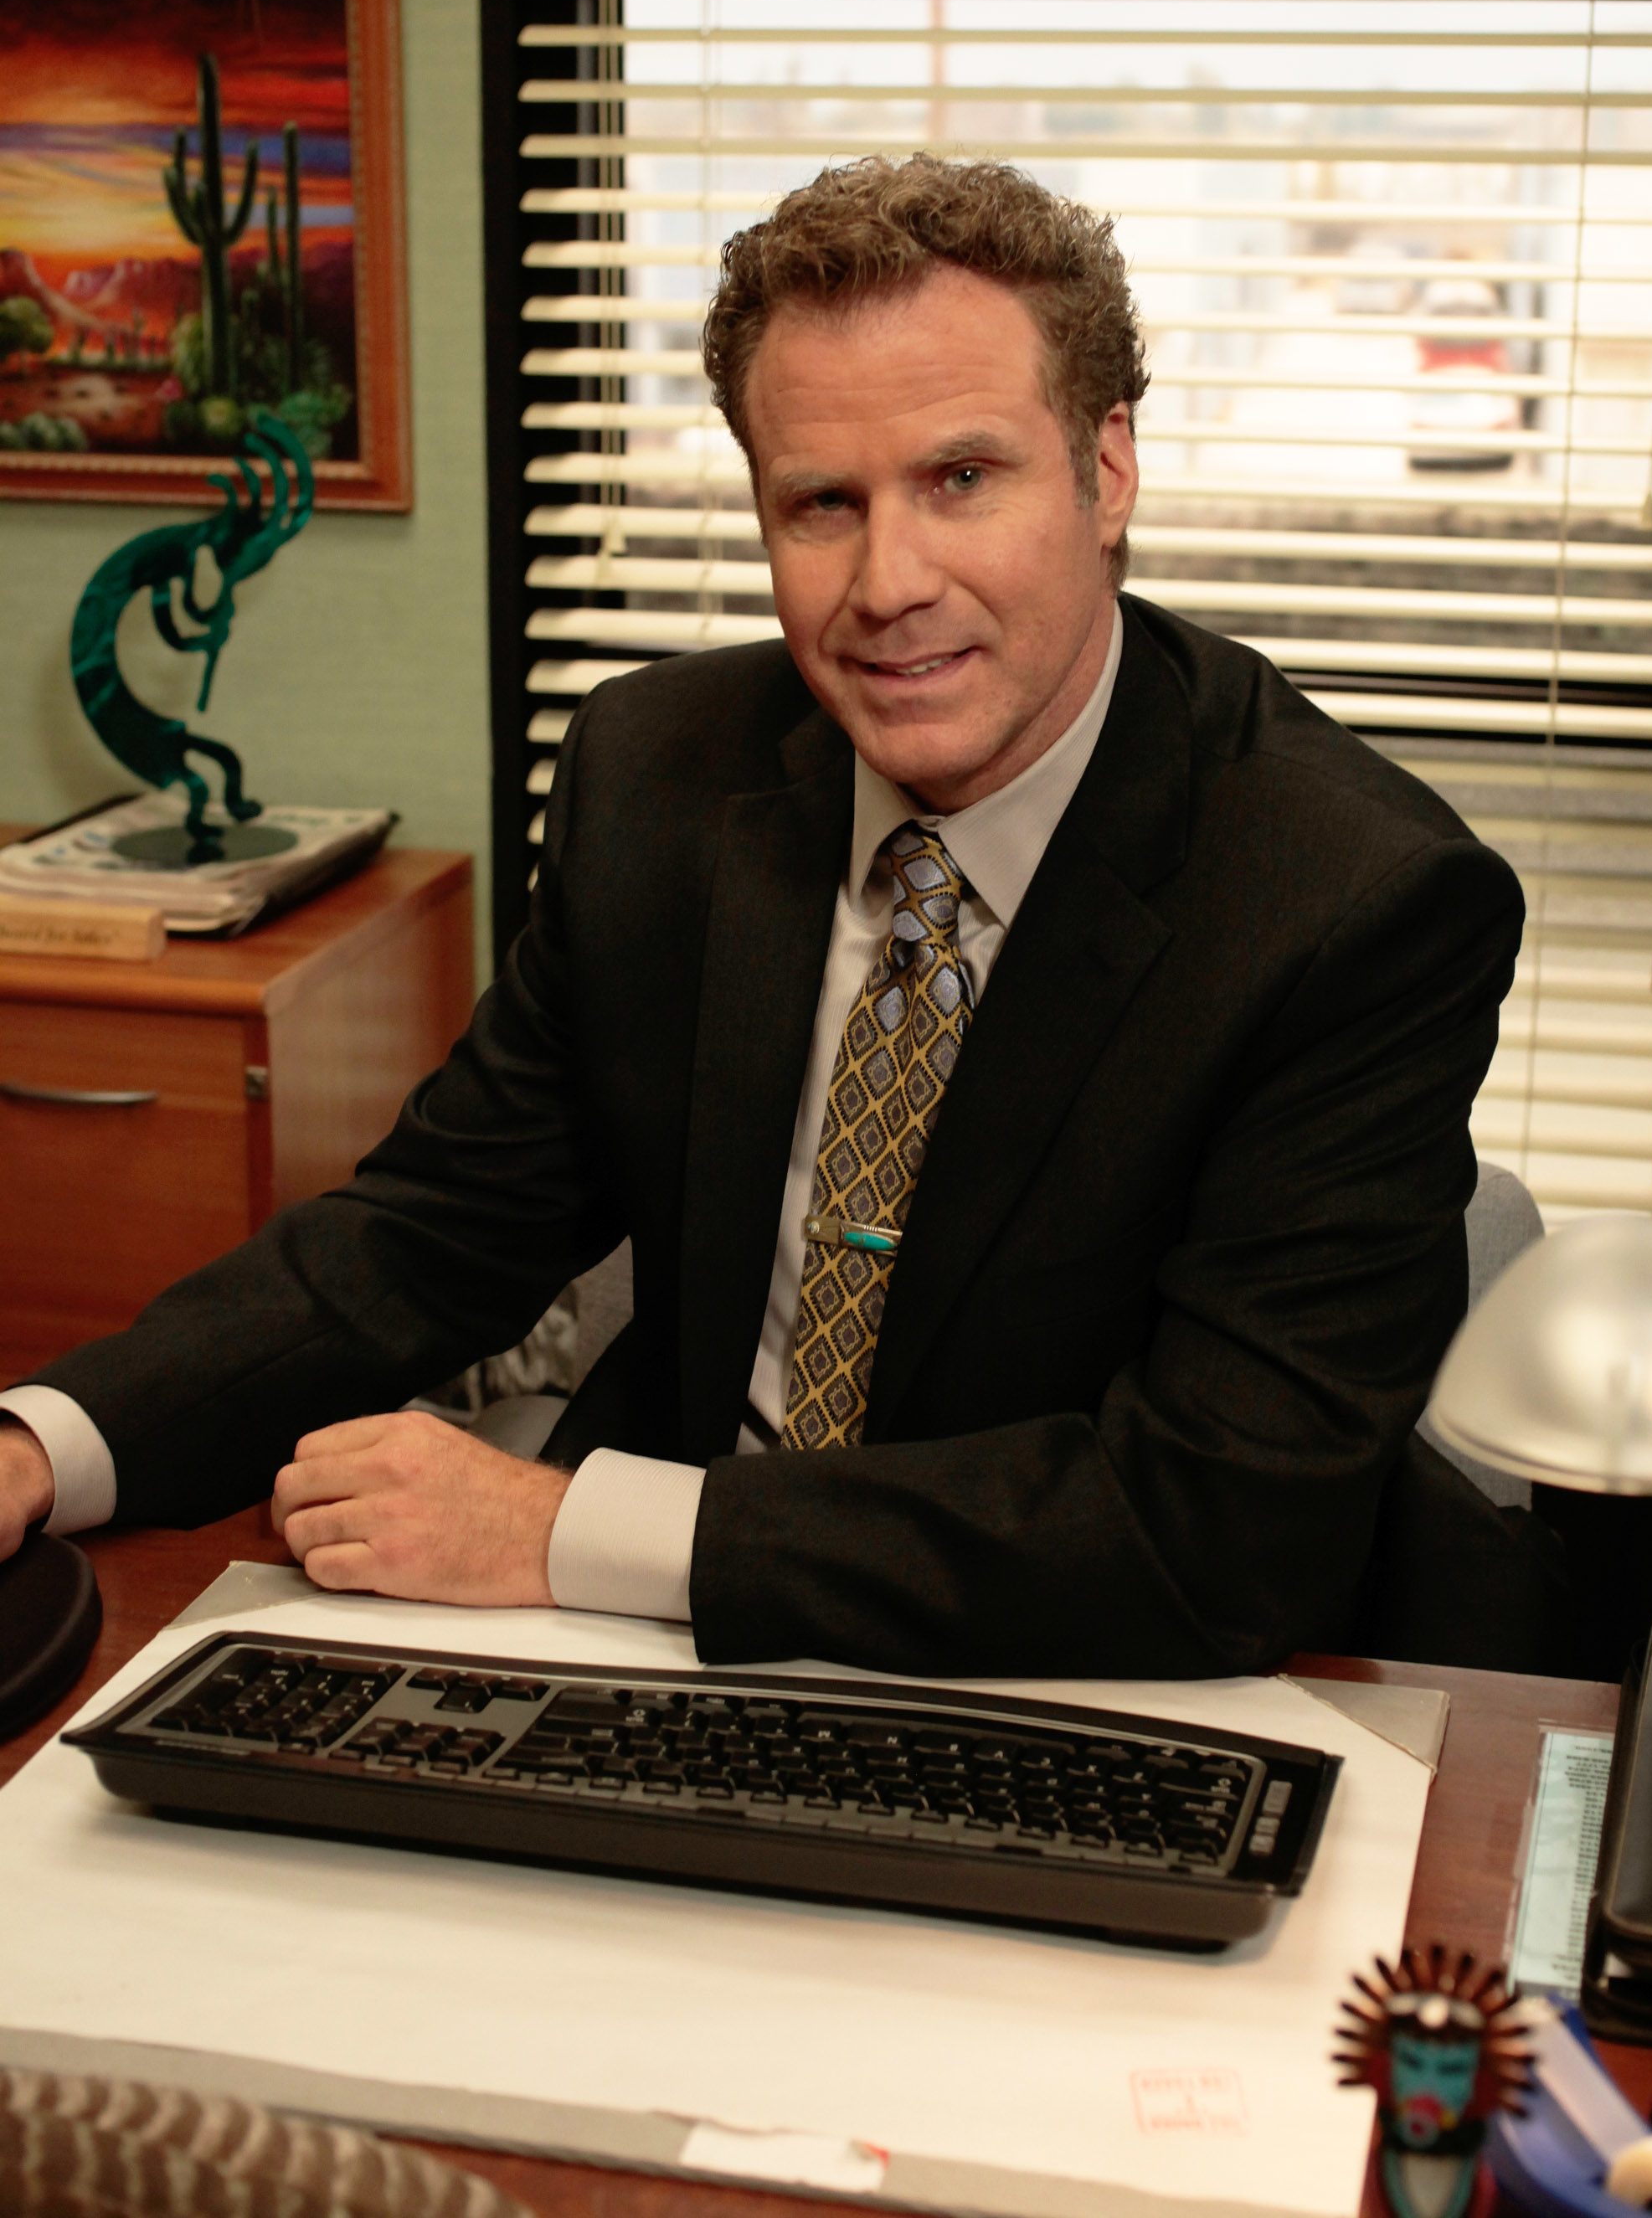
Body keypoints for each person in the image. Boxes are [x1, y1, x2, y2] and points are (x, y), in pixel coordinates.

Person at [0, 156, 1533, 1679]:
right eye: (821, 503)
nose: (889, 583)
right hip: (647, 1655)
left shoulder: (1355, 903)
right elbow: (430, 1233)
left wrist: (569, 1532)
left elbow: (1219, 1529)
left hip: (1081, 1671)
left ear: (1109, 465)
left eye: (962, 478)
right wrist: (42, 1442)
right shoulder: (658, 773)